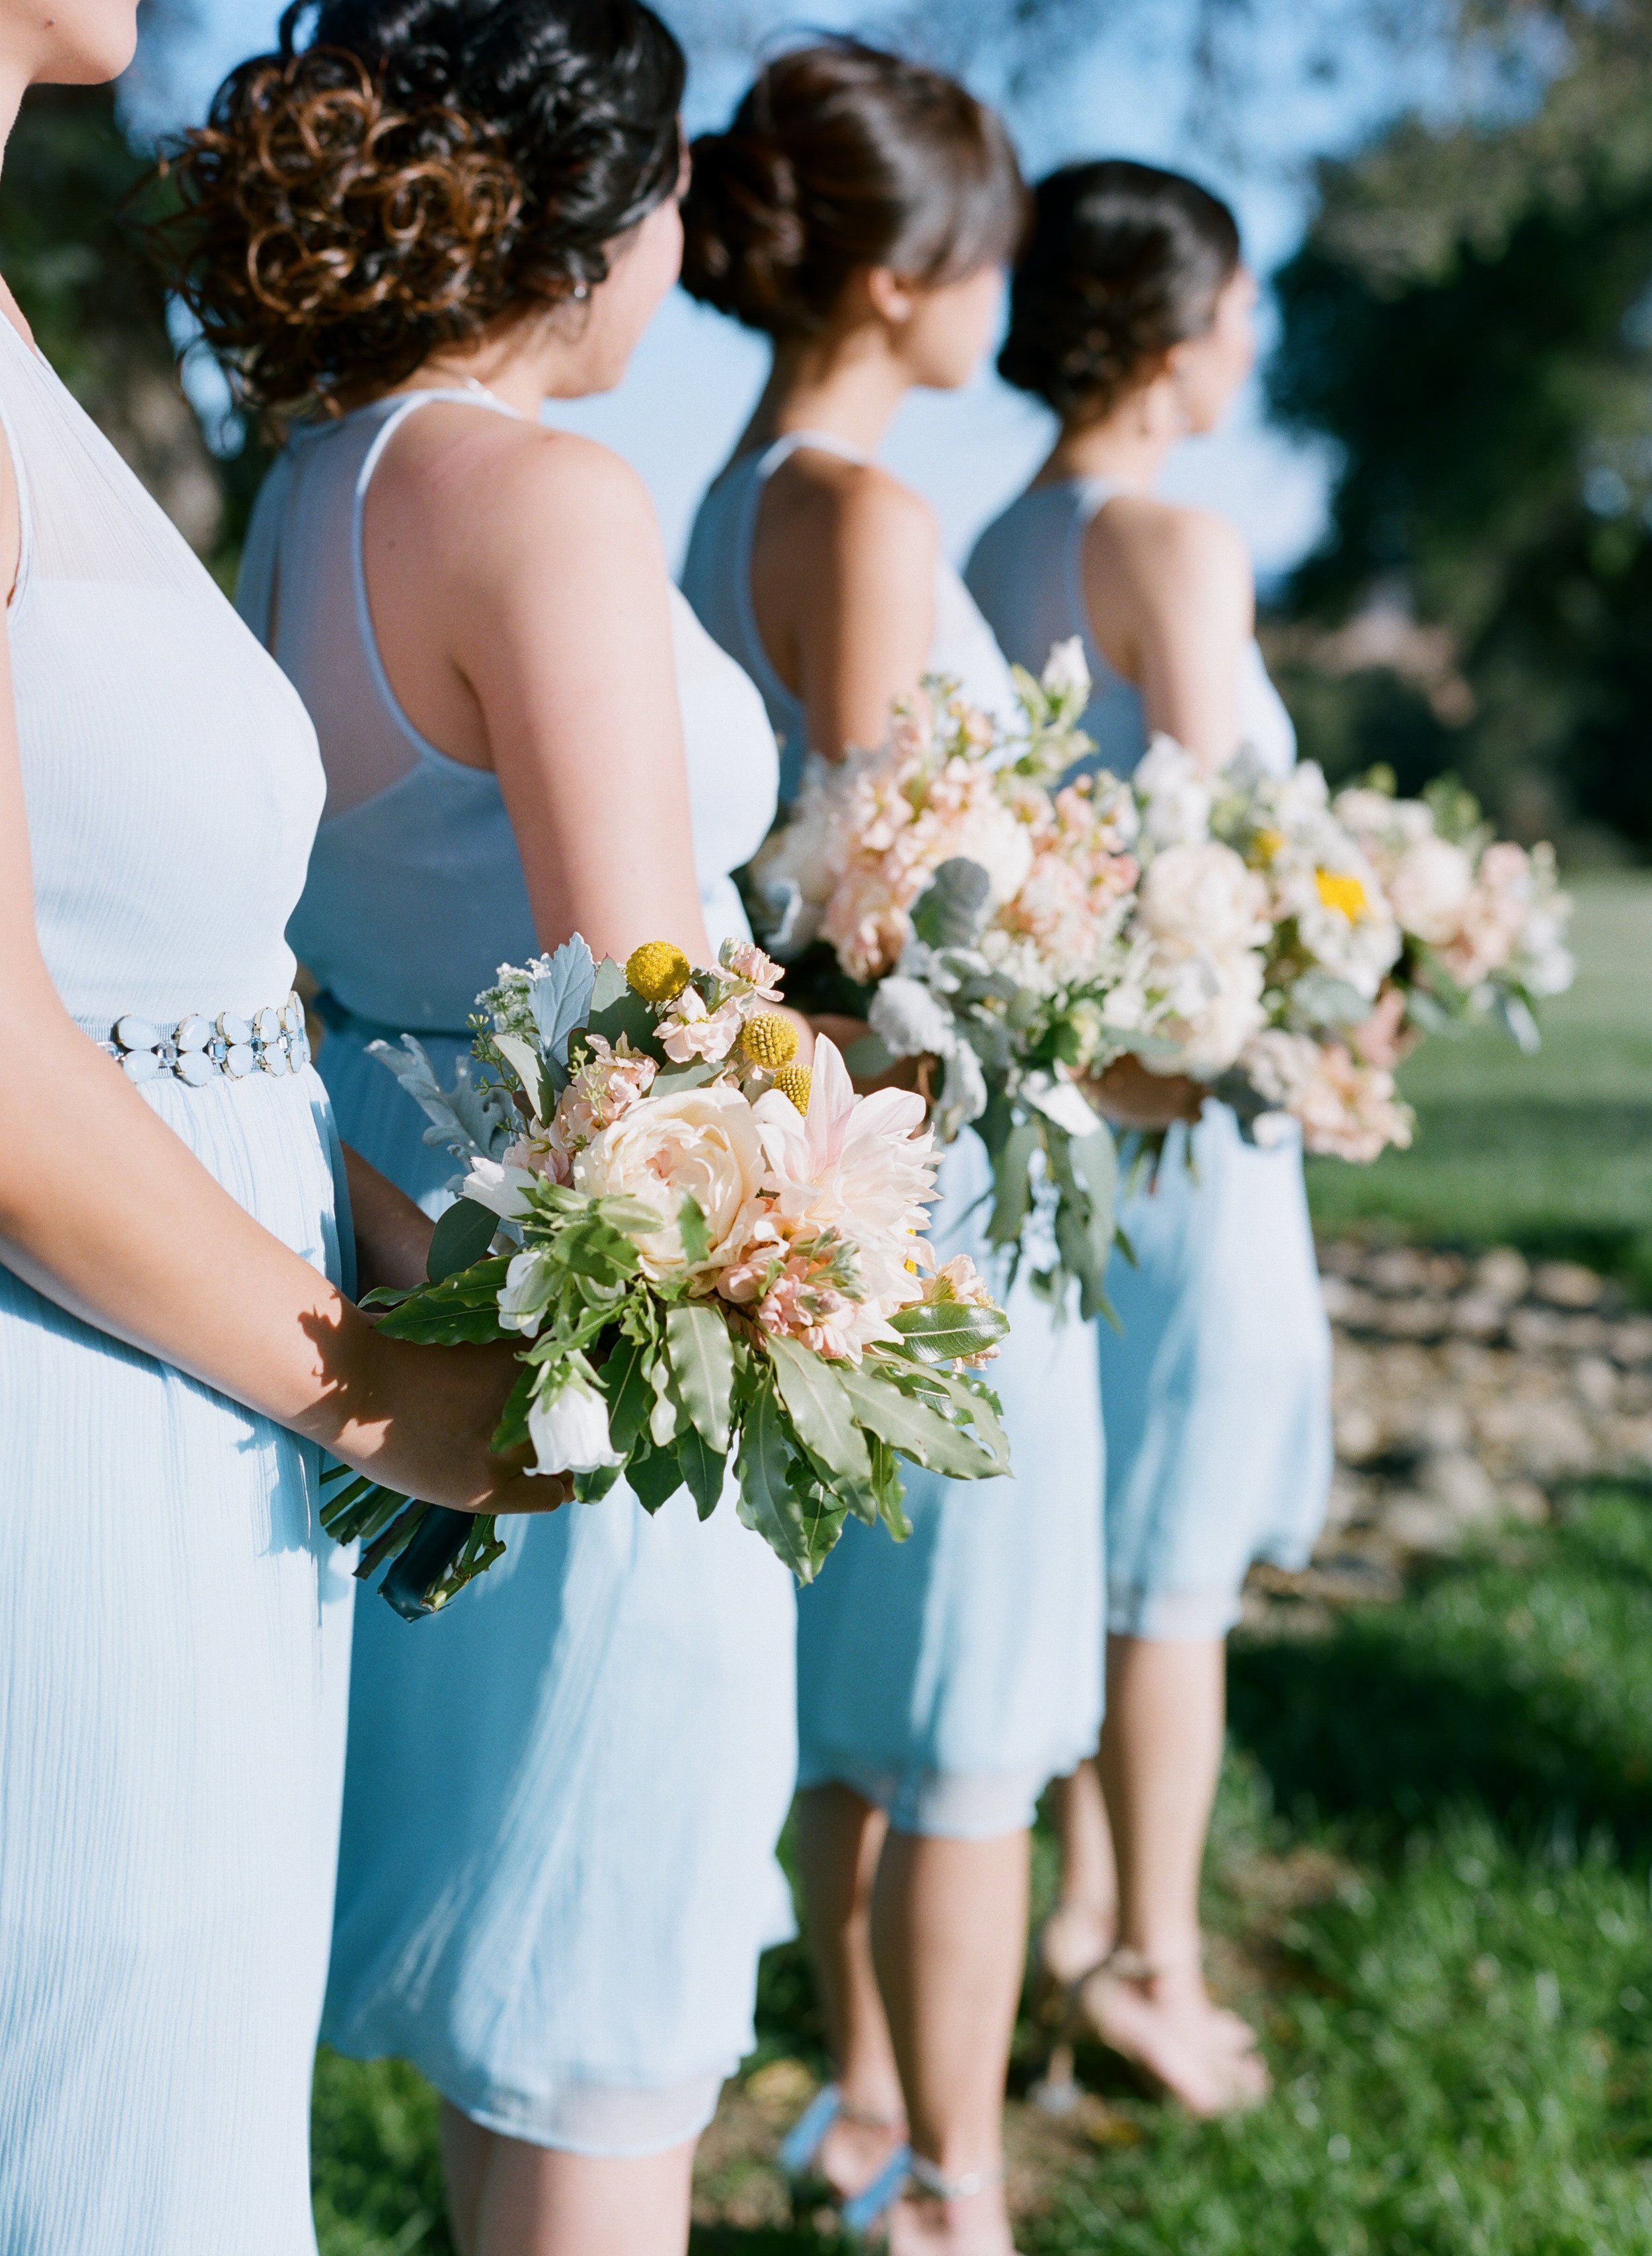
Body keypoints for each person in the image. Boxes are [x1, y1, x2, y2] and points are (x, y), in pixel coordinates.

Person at [168, 4, 799, 2251]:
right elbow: (657, 990)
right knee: (599, 2016)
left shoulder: (316, 483)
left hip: (389, 1233)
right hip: (585, 1298)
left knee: (514, 1991)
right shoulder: (538, 494)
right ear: (598, 212)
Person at [0, 0, 560, 2245]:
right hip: (82, 1418)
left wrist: (385, 1236)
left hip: (189, 1389)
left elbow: (162, 979)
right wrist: (383, 1406)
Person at [682, 44, 1103, 2254]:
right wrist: (1055, 942)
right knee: (962, 1734)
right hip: (931, 1158)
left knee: (868, 1706)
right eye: (989, 240)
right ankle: (955, 2189)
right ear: (906, 262)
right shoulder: (857, 508)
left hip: (857, 1142)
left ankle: (856, 2110)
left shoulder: (735, 484)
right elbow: (872, 878)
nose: (1003, 290)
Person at [966, 158, 1335, 2115]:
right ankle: (1150, 1971)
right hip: (1186, 1124)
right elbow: (1228, 864)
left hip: (1054, 1124)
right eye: (1242, 298)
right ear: (1180, 321)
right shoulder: (1172, 542)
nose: (1254, 337)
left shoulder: (985, 541)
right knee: (1169, 1578)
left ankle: (1080, 1922)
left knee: (1101, 1549)